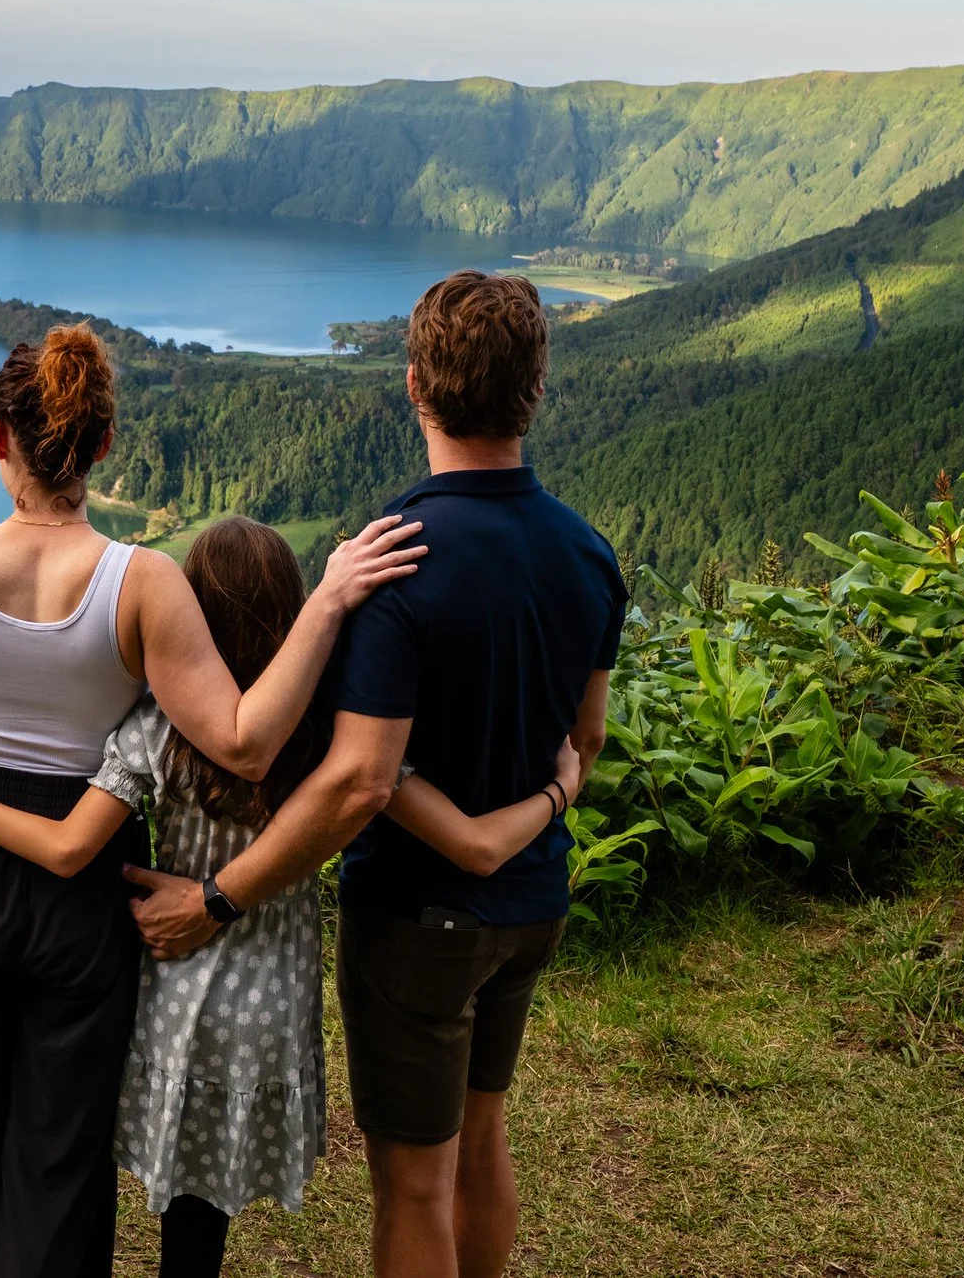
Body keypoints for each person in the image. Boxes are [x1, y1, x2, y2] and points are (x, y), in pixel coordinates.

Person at [0, 324, 426, 1278]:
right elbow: (244, 740)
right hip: (83, 888)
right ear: (102, 444)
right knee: (58, 1157)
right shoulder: (143, 582)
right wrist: (328, 602)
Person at [126, 271, 628, 1278]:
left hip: (419, 921)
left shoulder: (396, 559)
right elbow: (585, 738)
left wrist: (219, 897)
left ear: (413, 385)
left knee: (413, 1182)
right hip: (533, 900)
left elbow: (359, 779)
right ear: (536, 388)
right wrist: (542, 804)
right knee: (483, 1141)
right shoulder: (589, 555)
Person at [0, 518, 580, 1278]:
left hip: (178, 1001)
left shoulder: (158, 728)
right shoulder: (332, 736)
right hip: (271, 1005)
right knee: (209, 1216)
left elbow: (68, 847)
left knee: (178, 1222)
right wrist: (560, 789)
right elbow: (474, 846)